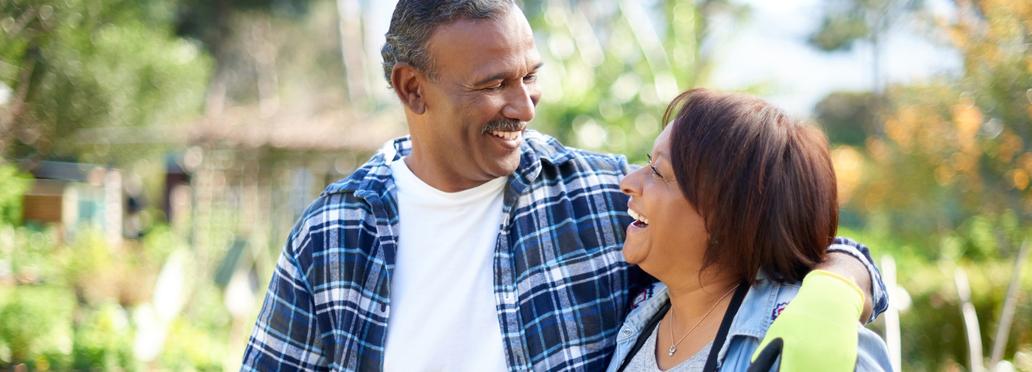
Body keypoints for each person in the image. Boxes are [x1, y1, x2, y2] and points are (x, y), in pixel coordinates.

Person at [241, 1, 888, 371]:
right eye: (495, 83)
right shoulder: (333, 236)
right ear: (413, 88)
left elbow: (776, 227)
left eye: (530, 75)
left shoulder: (601, 195)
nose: (524, 105)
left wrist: (837, 287)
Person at [607, 89, 891, 371]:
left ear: (730, 213)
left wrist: (837, 290)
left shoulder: (817, 342)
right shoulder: (642, 314)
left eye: (658, 172)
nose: (627, 181)